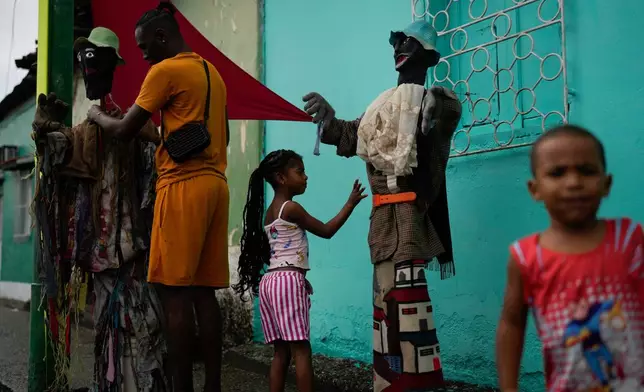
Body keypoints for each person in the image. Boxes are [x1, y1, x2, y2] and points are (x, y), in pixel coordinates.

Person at [302, 20, 462, 391]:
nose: (399, 48)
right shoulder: (380, 108)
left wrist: (431, 108)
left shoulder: (435, 100)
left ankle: (415, 384)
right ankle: (388, 383)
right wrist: (328, 118)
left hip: (410, 221)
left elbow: (444, 113)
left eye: (409, 42)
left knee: (409, 309)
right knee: (384, 310)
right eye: (396, 42)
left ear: (429, 55)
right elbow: (346, 134)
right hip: (381, 223)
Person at [86, 4, 230, 391]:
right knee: (204, 293)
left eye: (145, 46)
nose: (143, 54)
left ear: (163, 37)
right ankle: (212, 386)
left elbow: (123, 130)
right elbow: (220, 135)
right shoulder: (211, 72)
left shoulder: (164, 71)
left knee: (173, 295)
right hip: (216, 185)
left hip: (181, 186)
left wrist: (97, 117)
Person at [31, 27, 166, 391]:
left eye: (96, 59)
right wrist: (45, 133)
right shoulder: (87, 130)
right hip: (104, 251)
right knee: (113, 329)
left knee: (141, 325)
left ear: (112, 65)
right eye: (85, 59)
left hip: (131, 249)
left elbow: (153, 156)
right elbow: (62, 157)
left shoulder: (129, 123)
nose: (89, 67)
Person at [496, 125, 644, 391]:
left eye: (586, 171)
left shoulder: (629, 239)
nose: (573, 182)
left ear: (606, 184)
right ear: (535, 189)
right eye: (557, 173)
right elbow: (512, 322)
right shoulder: (526, 256)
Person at [233, 149, 367, 392]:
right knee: (302, 350)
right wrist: (350, 203)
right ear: (281, 178)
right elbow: (326, 231)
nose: (306, 177)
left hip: (270, 282)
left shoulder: (269, 214)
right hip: (288, 281)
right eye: (300, 171)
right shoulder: (291, 208)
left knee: (280, 352)